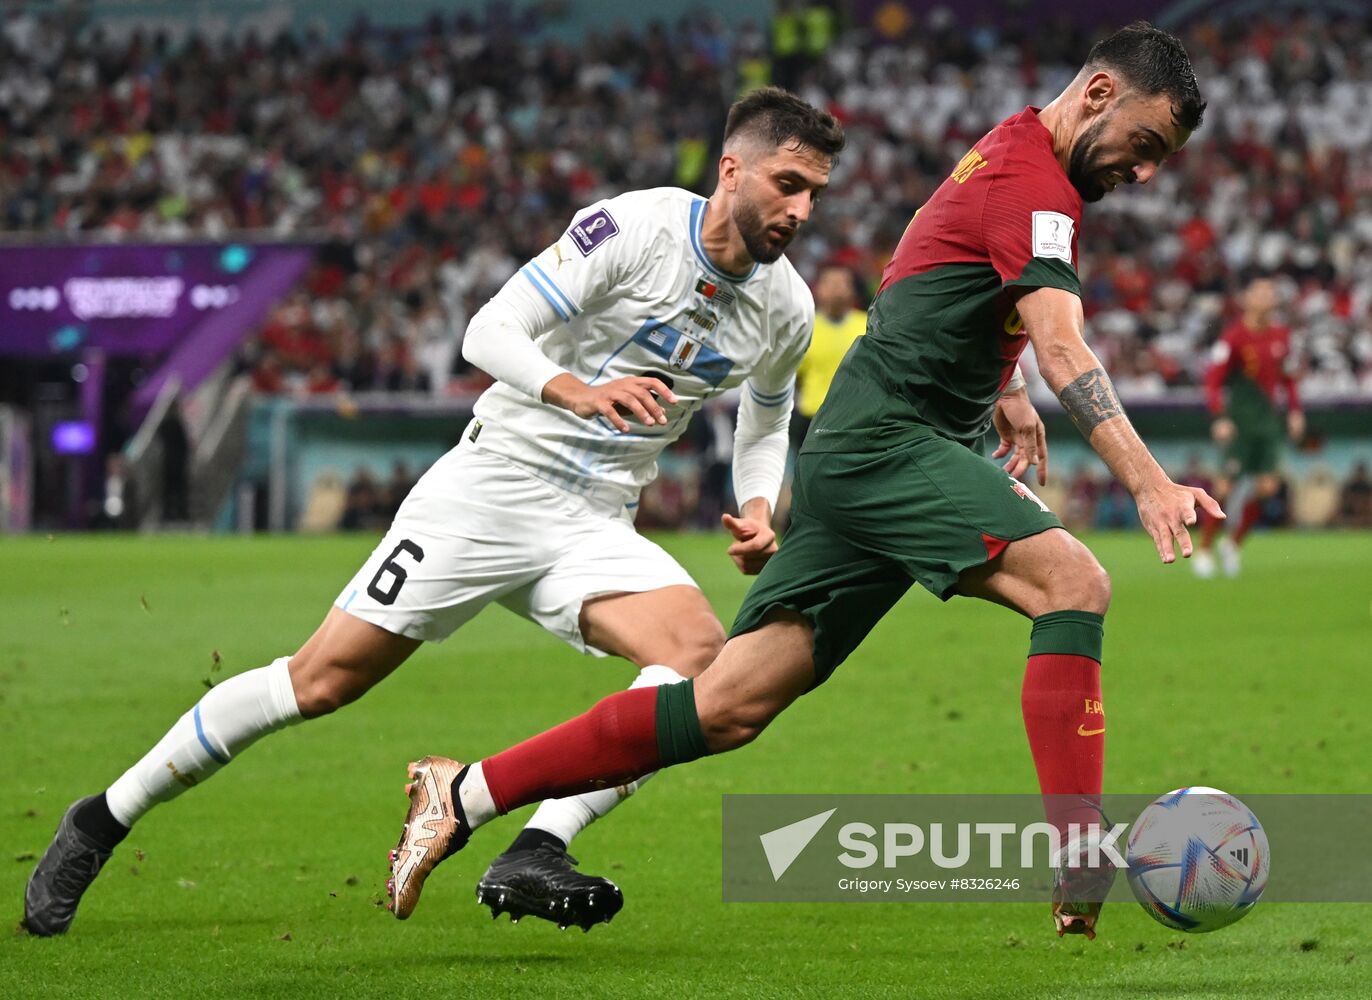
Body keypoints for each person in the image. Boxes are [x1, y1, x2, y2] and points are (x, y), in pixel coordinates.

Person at [382, 21, 1220, 943]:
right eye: (1146, 144)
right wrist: (1150, 482)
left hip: (875, 444)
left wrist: (1003, 384)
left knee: (727, 705)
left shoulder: (1015, 153)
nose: (1146, 172)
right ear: (1099, 94)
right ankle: (1080, 849)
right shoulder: (1031, 182)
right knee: (1074, 584)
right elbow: (1065, 345)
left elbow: (924, 265)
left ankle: (466, 791)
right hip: (888, 444)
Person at [23, 87, 847, 937]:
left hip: (596, 519)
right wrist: (576, 390)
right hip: (490, 488)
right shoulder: (635, 229)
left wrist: (757, 505)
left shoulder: (785, 307)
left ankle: (536, 846)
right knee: (319, 681)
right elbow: (488, 330)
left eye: (815, 194)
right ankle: (101, 819)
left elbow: (766, 417)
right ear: (731, 169)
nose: (801, 210)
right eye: (787, 184)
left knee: (701, 668)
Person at [1194, 276, 1303, 578]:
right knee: (1225, 487)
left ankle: (1233, 544)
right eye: (1261, 292)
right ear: (1247, 300)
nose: (1268, 297)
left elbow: (1289, 378)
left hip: (1268, 423)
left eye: (1271, 293)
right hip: (1240, 423)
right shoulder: (1233, 338)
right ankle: (1204, 549)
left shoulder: (1281, 336)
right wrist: (1219, 416)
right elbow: (1213, 380)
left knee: (1268, 487)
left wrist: (1295, 411)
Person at [791, 264, 866, 448]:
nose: (837, 289)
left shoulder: (867, 324)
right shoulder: (804, 328)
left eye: (843, 283)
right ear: (818, 289)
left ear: (852, 290)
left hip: (856, 418)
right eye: (831, 283)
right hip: (813, 417)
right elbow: (794, 376)